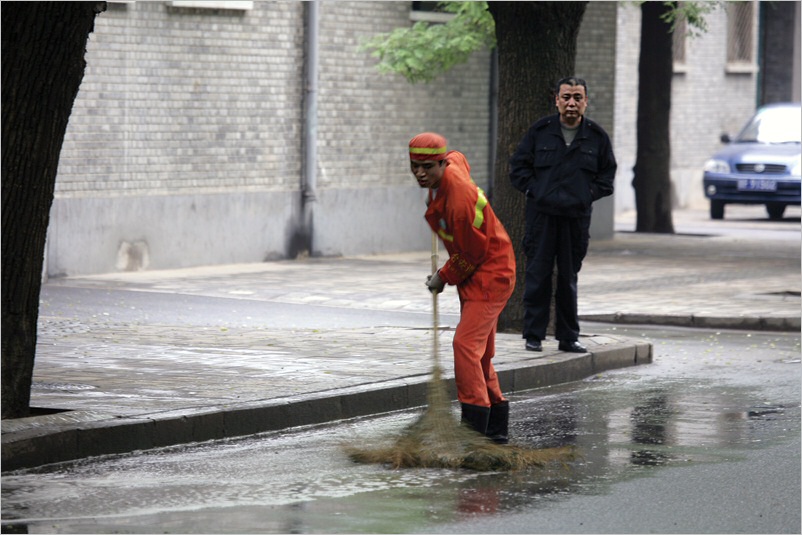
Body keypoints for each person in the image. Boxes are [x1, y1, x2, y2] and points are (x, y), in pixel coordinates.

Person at [409, 132, 516, 443]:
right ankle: (495, 430)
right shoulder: (452, 166)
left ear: (442, 163)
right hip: (479, 274)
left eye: (427, 167)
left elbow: (471, 252)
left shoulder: (458, 200)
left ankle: (474, 426)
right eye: (415, 166)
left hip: (490, 276)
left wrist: (442, 276)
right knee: (479, 354)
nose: (420, 173)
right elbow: (460, 156)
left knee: (465, 346)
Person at [508, 77, 616, 354]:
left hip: (575, 219)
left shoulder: (596, 136)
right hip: (541, 217)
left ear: (585, 102)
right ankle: (534, 335)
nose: (571, 103)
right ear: (556, 100)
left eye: (577, 97)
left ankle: (568, 337)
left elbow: (607, 176)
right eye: (566, 97)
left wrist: (585, 194)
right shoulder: (541, 131)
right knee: (538, 276)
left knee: (568, 278)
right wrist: (536, 190)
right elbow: (518, 167)